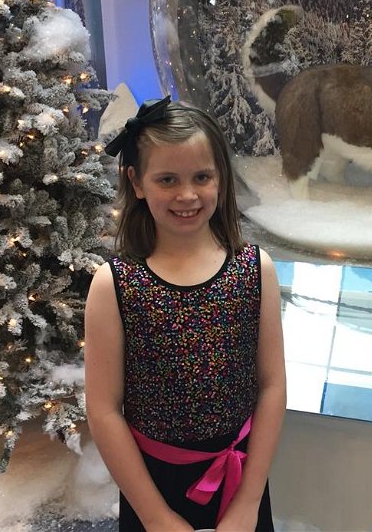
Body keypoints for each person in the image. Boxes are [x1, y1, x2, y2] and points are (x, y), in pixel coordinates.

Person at [84, 96, 286, 532]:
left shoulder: (255, 269)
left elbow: (272, 387)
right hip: (152, 489)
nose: (187, 195)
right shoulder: (114, 284)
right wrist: (155, 517)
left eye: (202, 177)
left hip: (240, 478)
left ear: (221, 179)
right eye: (167, 179)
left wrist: (249, 501)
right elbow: (103, 410)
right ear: (137, 182)